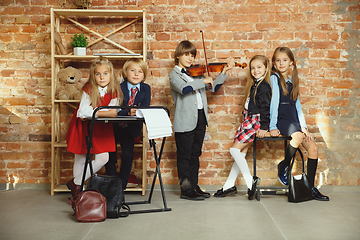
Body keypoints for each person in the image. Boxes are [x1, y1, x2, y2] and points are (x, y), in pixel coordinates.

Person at [170, 40, 234, 200]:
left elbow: (213, 87)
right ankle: (185, 189)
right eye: (186, 54)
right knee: (184, 156)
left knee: (194, 155)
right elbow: (184, 89)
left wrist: (224, 72)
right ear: (178, 55)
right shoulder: (174, 74)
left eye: (192, 55)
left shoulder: (195, 74)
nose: (190, 58)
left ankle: (193, 186)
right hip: (184, 121)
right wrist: (202, 81)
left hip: (199, 119)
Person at [269, 46, 329, 201]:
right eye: (278, 60)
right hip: (282, 119)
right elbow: (274, 103)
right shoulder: (275, 78)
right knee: (296, 137)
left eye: (285, 60)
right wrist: (273, 126)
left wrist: (304, 127)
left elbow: (298, 106)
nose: (281, 63)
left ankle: (309, 188)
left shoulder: (292, 81)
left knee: (313, 148)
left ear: (291, 64)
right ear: (274, 64)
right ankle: (284, 166)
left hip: (294, 120)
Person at [214, 55, 272, 200]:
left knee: (234, 150)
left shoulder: (263, 86)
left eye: (259, 67)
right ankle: (229, 186)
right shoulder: (255, 84)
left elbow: (265, 108)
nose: (255, 70)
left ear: (266, 68)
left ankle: (250, 182)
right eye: (253, 68)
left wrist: (264, 127)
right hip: (248, 120)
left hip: (255, 121)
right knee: (240, 154)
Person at [66, 57, 122, 196]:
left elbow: (114, 112)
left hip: (101, 127)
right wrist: (104, 113)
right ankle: (79, 193)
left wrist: (98, 113)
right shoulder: (89, 88)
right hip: (83, 125)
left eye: (105, 73)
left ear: (111, 74)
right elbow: (82, 112)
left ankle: (75, 182)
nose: (102, 77)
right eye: (98, 74)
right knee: (81, 158)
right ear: (93, 75)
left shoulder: (115, 90)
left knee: (104, 158)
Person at [105, 58, 151, 190]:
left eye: (140, 71)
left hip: (130, 129)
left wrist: (136, 112)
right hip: (114, 126)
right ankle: (112, 186)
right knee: (110, 156)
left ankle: (122, 187)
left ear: (144, 75)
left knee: (127, 155)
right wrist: (127, 113)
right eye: (132, 70)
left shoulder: (146, 89)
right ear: (125, 73)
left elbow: (145, 108)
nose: (136, 74)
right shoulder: (118, 87)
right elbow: (113, 109)